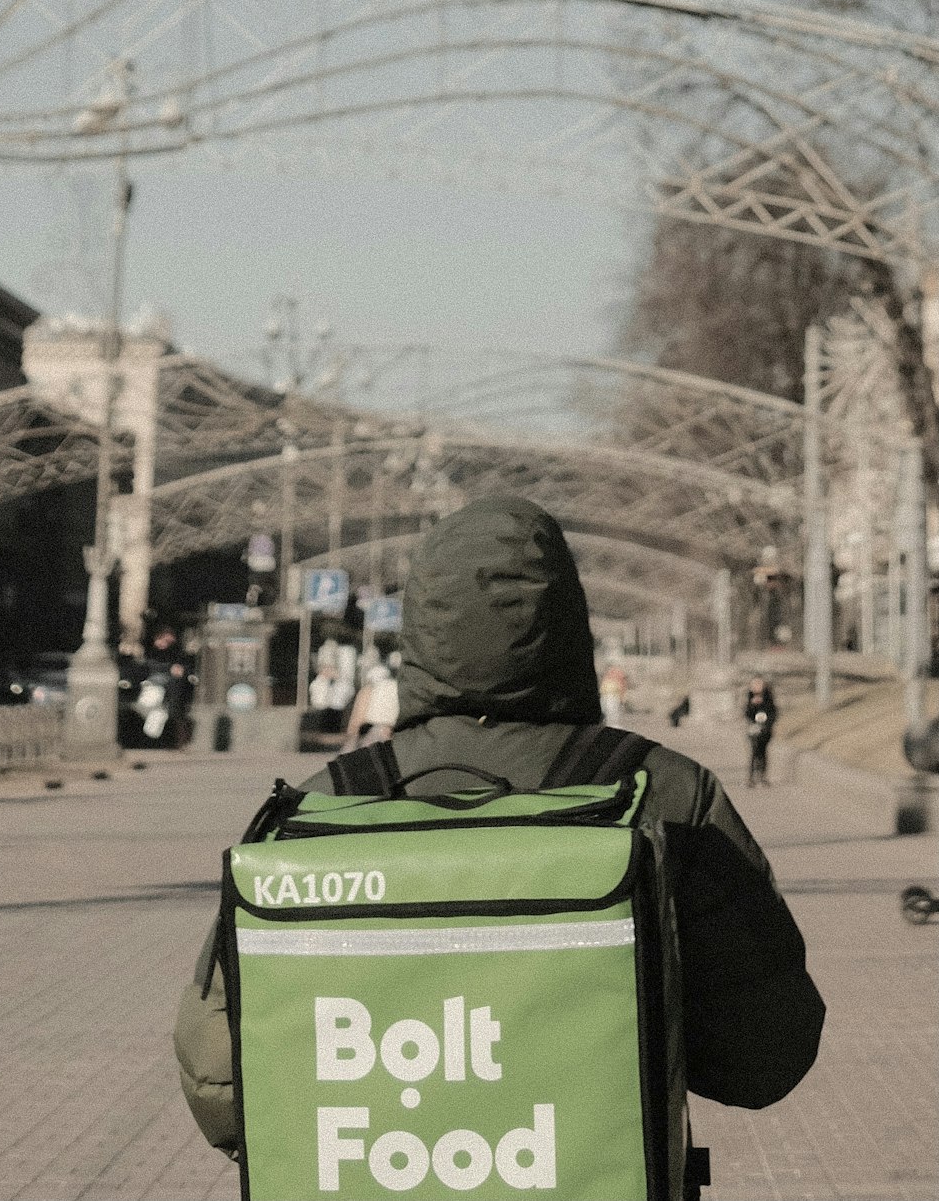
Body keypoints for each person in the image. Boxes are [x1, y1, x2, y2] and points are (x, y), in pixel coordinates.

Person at [175, 495, 824, 1186]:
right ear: (570, 627)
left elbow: (219, 1077)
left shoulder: (326, 802)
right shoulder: (663, 793)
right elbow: (767, 1054)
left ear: (418, 632)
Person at [744, 673, 778, 786]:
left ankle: (763, 776)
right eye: (755, 684)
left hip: (765, 730)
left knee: (763, 752)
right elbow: (747, 714)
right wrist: (752, 705)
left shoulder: (768, 697)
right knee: (754, 752)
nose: (757, 686)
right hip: (753, 729)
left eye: (759, 684)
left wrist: (767, 724)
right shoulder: (749, 697)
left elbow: (773, 713)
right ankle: (751, 777)